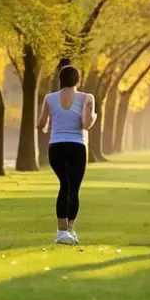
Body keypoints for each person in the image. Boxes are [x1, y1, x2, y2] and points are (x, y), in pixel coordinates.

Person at [37, 65, 97, 245]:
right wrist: (94, 116)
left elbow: (41, 123)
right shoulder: (87, 98)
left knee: (64, 186)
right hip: (77, 146)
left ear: (60, 79)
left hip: (56, 147)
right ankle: (69, 230)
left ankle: (62, 232)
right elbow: (86, 124)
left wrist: (49, 126)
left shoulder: (49, 98)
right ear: (77, 80)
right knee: (73, 189)